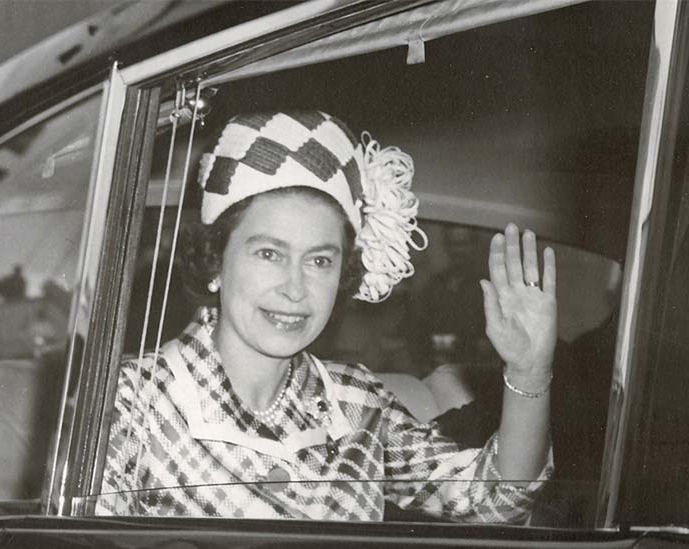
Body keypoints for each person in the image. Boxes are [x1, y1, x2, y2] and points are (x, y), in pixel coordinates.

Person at [96, 111, 557, 522]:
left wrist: (529, 371)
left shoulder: (356, 403)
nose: (295, 289)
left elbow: (495, 501)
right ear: (215, 261)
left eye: (319, 261)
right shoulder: (132, 401)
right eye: (269, 254)